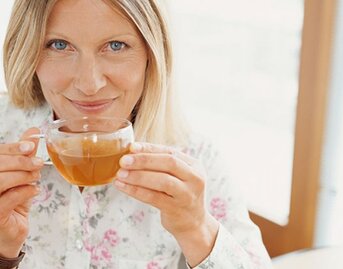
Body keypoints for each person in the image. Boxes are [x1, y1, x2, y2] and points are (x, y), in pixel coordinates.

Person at [0, 0, 273, 268]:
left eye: (116, 46)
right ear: (27, 50)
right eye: (59, 45)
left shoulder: (194, 161)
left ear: (151, 54)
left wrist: (197, 229)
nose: (89, 83)